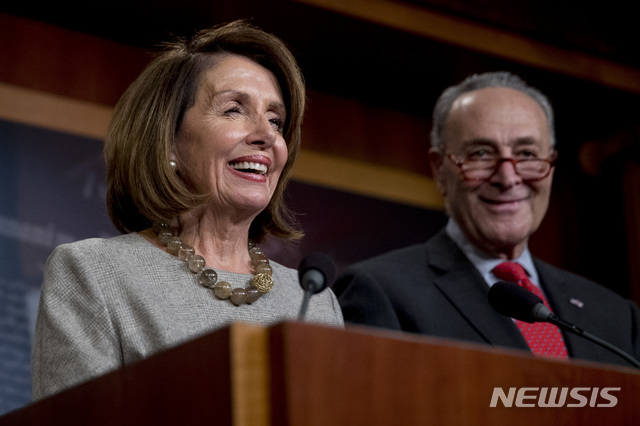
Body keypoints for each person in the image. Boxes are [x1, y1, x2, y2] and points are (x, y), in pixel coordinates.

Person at [31, 20, 343, 400]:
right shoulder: (95, 275)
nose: (267, 135)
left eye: (276, 120)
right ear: (170, 143)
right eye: (234, 110)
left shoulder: (313, 299)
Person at [334, 71, 640, 368]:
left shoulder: (617, 317)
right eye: (481, 153)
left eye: (527, 153)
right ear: (440, 170)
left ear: (551, 163)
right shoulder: (381, 292)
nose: (508, 177)